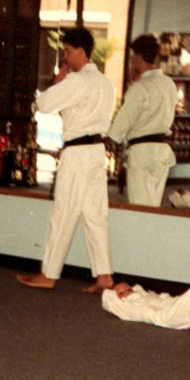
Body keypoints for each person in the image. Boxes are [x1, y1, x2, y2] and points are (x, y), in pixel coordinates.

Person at [16, 28, 116, 294]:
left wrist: (57, 82)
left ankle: (48, 274)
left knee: (63, 214)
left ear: (80, 51)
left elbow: (44, 104)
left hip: (77, 154)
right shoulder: (106, 84)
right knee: (95, 215)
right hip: (96, 154)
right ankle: (104, 276)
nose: (66, 57)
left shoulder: (77, 81)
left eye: (68, 52)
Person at [108, 34, 178, 207]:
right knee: (153, 207)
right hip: (162, 152)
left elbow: (124, 121)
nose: (132, 60)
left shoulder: (140, 88)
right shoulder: (169, 83)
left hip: (142, 153)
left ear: (138, 57)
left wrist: (110, 138)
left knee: (139, 209)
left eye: (133, 56)